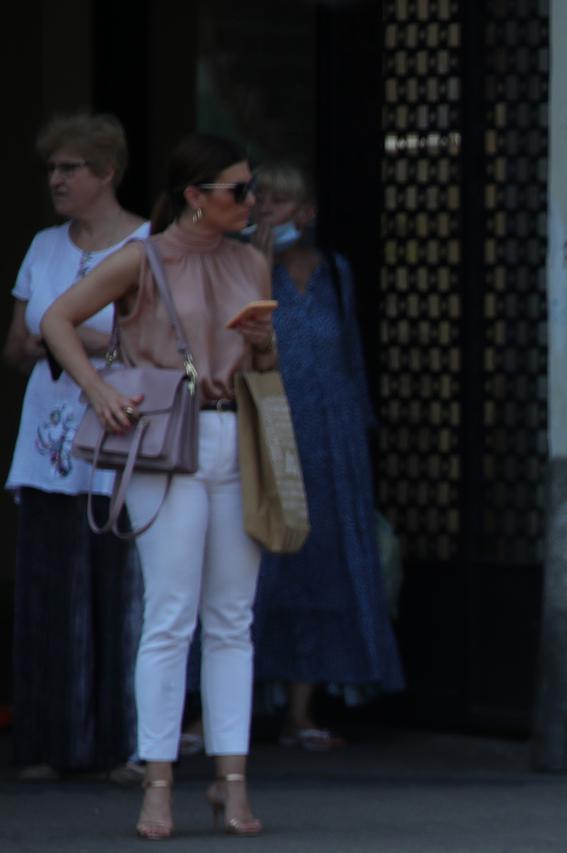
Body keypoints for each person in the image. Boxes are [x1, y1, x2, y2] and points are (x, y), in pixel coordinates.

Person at [41, 132, 276, 839]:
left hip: (235, 433)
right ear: (195, 198)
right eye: (238, 190)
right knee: (171, 614)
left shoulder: (251, 261)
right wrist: (96, 390)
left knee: (233, 618)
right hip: (162, 440)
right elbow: (55, 317)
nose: (251, 201)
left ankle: (232, 784)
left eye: (251, 186)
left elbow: (262, 367)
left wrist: (264, 345)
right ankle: (159, 783)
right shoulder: (143, 258)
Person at [3, 113, 148, 782]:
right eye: (52, 169)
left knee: (124, 594)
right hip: (47, 439)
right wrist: (49, 339)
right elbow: (15, 346)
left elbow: (158, 346)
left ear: (106, 173)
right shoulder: (42, 244)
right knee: (48, 590)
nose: (56, 180)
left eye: (70, 169)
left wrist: (76, 338)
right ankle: (50, 742)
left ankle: (128, 744)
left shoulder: (150, 243)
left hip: (122, 435)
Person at [246, 163, 403, 746]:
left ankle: (302, 713)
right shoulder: (241, 269)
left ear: (305, 213)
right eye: (258, 202)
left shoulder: (335, 273)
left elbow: (351, 360)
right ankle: (221, 716)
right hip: (270, 438)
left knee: (322, 573)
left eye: (279, 203)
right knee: (260, 574)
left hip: (332, 446)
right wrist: (256, 271)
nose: (266, 213)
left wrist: (362, 433)